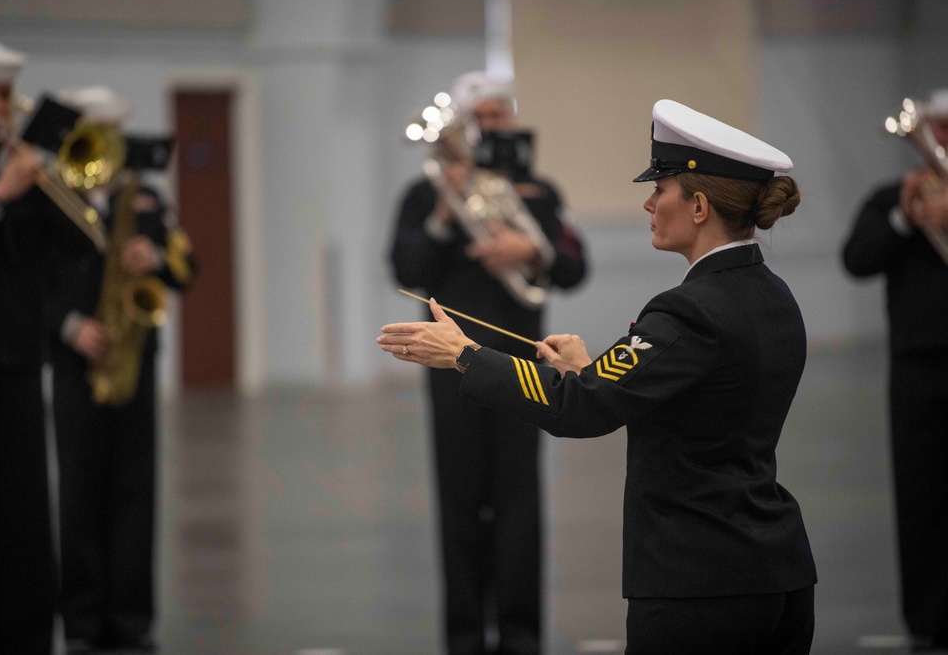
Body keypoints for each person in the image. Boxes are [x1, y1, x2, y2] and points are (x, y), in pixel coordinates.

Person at [380, 99, 818, 654]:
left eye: (661, 191)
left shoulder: (688, 311)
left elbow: (578, 408)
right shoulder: (773, 296)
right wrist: (588, 370)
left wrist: (465, 354)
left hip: (698, 583)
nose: (648, 203)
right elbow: (693, 396)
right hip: (776, 568)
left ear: (700, 205)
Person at [388, 71, 588, 654]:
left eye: (502, 116)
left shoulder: (539, 192)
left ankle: (523, 635)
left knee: (520, 499)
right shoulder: (425, 194)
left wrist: (535, 249)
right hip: (449, 371)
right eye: (484, 119)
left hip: (527, 367)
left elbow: (575, 267)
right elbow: (405, 269)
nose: (494, 127)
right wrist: (447, 216)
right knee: (457, 501)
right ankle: (464, 636)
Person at [0, 40, 97, 654]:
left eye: (4, 95)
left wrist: (48, 176)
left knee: (24, 523)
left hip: (17, 366)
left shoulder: (26, 170)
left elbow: (81, 243)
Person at [46, 86, 195, 654]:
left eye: (113, 129)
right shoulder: (53, 199)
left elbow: (188, 266)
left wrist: (155, 257)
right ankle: (82, 622)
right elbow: (33, 282)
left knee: (136, 491)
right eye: (96, 129)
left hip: (134, 360)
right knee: (79, 491)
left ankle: (132, 620)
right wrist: (66, 324)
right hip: (75, 361)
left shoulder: (146, 199)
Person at [842, 89, 948, 653]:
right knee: (922, 495)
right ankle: (929, 619)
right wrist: (904, 220)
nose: (939, 141)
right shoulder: (893, 195)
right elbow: (856, 257)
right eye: (935, 129)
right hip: (917, 367)